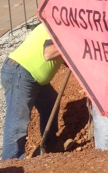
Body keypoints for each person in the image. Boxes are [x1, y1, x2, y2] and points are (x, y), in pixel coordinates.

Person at [2, 23, 64, 160]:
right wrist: (75, 46)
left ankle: (50, 143)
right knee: (18, 120)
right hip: (20, 73)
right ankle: (12, 164)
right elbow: (48, 53)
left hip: (33, 78)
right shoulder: (58, 24)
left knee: (50, 102)